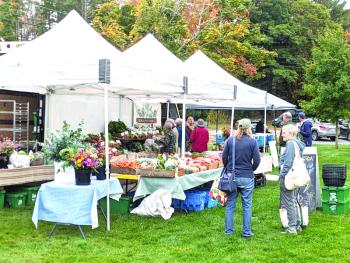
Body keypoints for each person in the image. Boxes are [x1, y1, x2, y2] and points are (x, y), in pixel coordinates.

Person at [223, 119, 261, 237]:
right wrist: (251, 169)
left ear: (238, 127)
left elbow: (224, 157)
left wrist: (228, 168)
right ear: (249, 128)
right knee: (247, 205)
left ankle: (229, 231)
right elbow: (257, 160)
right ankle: (246, 232)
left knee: (230, 205)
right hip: (247, 177)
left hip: (232, 177)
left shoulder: (230, 140)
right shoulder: (253, 142)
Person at [279, 124, 305, 235]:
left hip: (289, 176)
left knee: (289, 202)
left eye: (284, 132)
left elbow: (288, 163)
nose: (282, 135)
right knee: (294, 200)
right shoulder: (297, 143)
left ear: (290, 133)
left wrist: (282, 175)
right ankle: (297, 224)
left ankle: (292, 228)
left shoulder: (290, 144)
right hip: (296, 176)